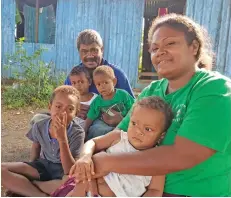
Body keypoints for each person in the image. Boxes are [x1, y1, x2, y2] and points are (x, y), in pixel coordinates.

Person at [73, 14, 231, 197]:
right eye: (155, 48)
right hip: (130, 187)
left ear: (193, 47)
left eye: (170, 43)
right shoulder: (152, 91)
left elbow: (183, 155)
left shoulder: (215, 90)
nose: (160, 52)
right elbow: (121, 135)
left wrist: (106, 163)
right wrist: (86, 159)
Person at [52, 96, 173, 197]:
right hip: (85, 191)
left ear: (161, 136)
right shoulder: (118, 138)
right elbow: (92, 142)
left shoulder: (158, 160)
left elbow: (155, 190)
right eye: (134, 123)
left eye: (147, 129)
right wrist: (85, 156)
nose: (138, 131)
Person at [31, 29, 134, 129]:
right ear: (79, 52)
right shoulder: (75, 75)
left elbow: (135, 107)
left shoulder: (116, 74)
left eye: (94, 50)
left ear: (101, 50)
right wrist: (74, 108)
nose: (89, 56)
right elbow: (61, 101)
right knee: (38, 119)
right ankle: (53, 145)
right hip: (73, 119)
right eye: (84, 51)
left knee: (99, 129)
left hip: (101, 123)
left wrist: (121, 119)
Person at [1, 85, 85, 197]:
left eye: (70, 109)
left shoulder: (77, 133)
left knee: (72, 184)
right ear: (50, 107)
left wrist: (62, 139)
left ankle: (27, 186)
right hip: (43, 166)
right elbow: (36, 146)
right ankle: (40, 194)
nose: (63, 113)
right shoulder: (40, 125)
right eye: (58, 106)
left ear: (76, 113)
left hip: (62, 173)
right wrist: (30, 167)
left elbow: (69, 170)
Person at [85, 65, 134, 140]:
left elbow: (134, 109)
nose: (102, 87)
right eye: (98, 84)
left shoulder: (123, 95)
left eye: (106, 82)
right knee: (96, 128)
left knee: (125, 130)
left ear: (114, 82)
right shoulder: (97, 101)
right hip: (104, 123)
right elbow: (90, 117)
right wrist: (84, 130)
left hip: (122, 122)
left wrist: (124, 121)